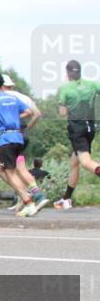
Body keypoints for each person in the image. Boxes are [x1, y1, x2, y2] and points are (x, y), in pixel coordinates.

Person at [0, 72, 44, 217]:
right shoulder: (12, 98)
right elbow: (28, 112)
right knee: (7, 168)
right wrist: (13, 118)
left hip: (6, 139)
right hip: (19, 138)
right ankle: (30, 194)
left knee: (10, 173)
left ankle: (28, 202)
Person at [54, 59, 100, 210]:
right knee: (74, 162)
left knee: (86, 162)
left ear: (67, 73)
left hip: (77, 129)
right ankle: (66, 198)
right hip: (90, 128)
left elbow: (63, 113)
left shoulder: (65, 89)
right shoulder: (92, 85)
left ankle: (66, 199)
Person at [0, 74, 48, 205]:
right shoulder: (24, 97)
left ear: (1, 86)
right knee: (20, 168)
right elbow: (37, 114)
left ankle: (26, 195)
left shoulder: (2, 98)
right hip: (22, 136)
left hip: (10, 136)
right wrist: (27, 129)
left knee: (1, 169)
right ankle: (35, 195)